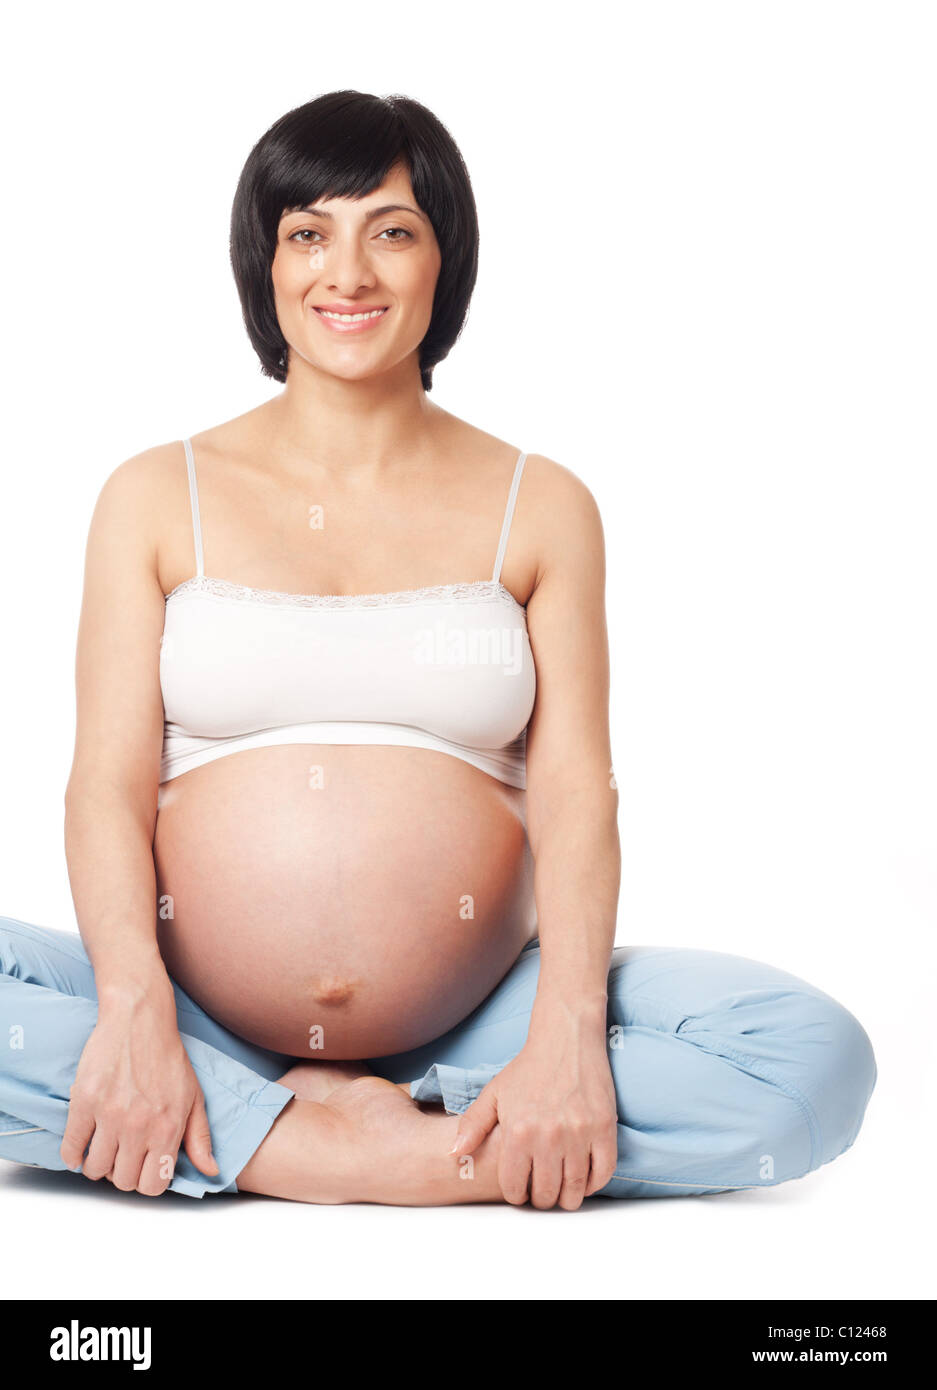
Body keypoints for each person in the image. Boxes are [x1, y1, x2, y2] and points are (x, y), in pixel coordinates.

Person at [0, 91, 876, 1209]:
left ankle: (229, 1129)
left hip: (477, 1018)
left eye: (392, 230)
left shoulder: (542, 503)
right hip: (185, 1002)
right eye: (308, 232)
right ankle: (366, 1150)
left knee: (814, 1054)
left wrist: (563, 1026)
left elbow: (574, 790)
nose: (348, 273)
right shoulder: (151, 496)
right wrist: (131, 1004)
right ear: (263, 266)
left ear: (443, 259)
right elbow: (104, 789)